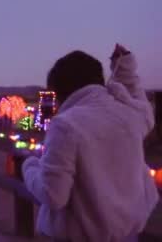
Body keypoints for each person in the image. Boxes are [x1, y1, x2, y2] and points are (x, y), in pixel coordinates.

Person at [22, 45, 159, 242]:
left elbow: (53, 194)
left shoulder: (66, 125)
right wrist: (125, 70)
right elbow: (141, 105)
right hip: (128, 235)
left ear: (61, 91)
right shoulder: (130, 114)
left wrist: (30, 166)